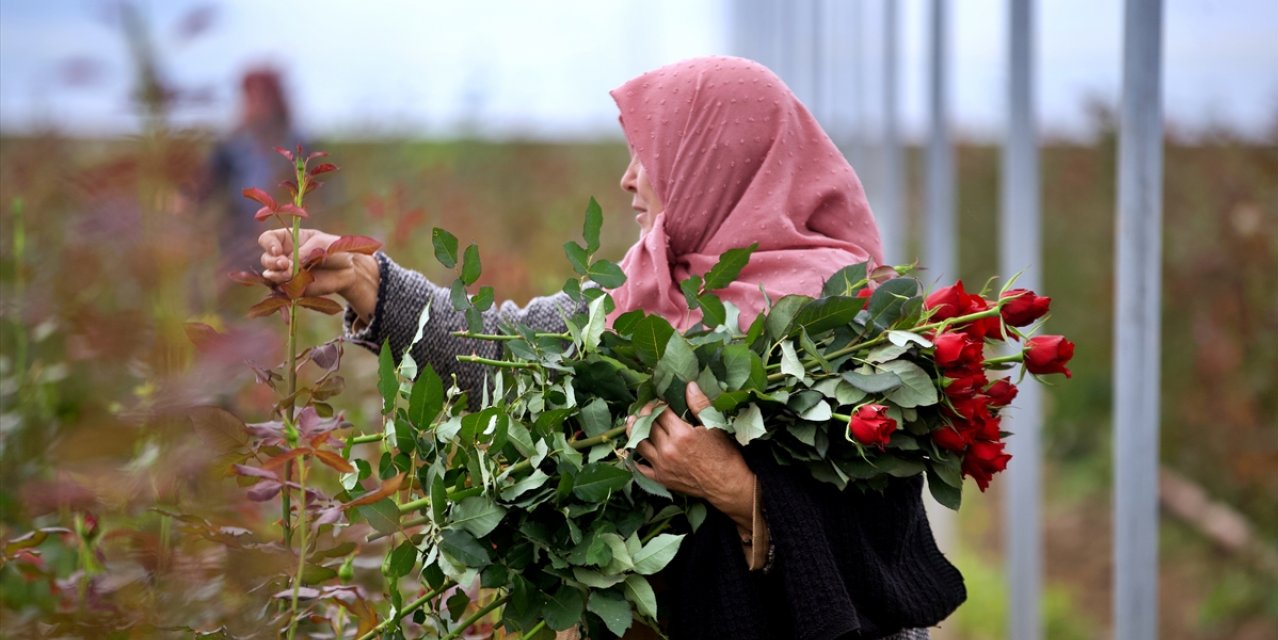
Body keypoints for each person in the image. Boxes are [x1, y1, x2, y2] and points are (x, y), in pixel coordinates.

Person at [257, 56, 965, 640]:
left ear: (713, 159)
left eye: (648, 154)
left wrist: (746, 495)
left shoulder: (847, 322)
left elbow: (886, 544)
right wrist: (368, 282)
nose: (628, 178)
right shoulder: (645, 287)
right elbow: (512, 353)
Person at [202, 68, 306, 269]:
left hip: (289, 244)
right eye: (249, 97)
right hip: (238, 244)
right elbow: (201, 191)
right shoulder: (229, 149)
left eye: (261, 97)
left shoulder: (299, 148)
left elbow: (324, 200)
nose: (254, 106)